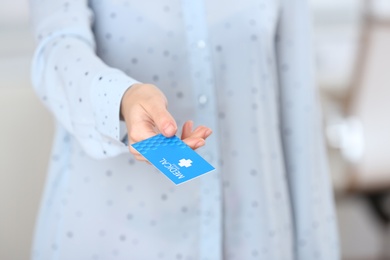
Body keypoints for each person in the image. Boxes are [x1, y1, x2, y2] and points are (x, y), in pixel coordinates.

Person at [29, 0, 340, 259]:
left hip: (255, 235)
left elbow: (299, 115)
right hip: (116, 237)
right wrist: (121, 99)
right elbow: (56, 49)